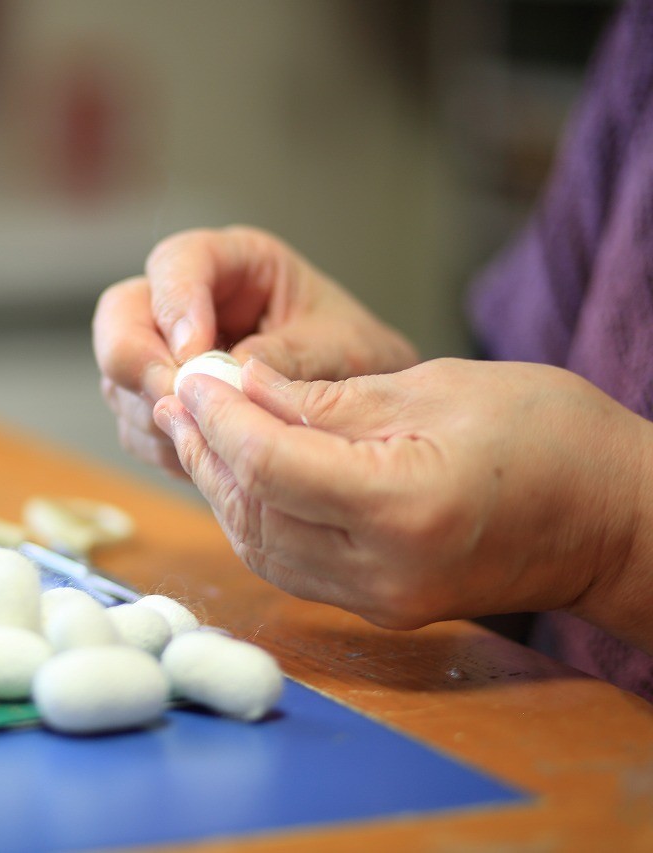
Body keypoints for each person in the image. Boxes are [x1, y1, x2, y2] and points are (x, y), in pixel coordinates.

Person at [92, 0, 653, 701]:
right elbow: (539, 392)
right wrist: (379, 392)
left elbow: (581, 487)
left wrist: (620, 532)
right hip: (548, 728)